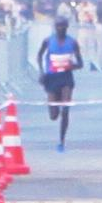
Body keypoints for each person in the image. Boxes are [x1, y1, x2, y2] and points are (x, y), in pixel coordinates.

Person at [37, 15, 82, 151]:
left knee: (65, 110)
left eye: (63, 25)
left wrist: (71, 66)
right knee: (53, 115)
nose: (60, 28)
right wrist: (42, 71)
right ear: (55, 27)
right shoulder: (48, 41)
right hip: (51, 78)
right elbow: (39, 56)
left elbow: (80, 63)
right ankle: (53, 104)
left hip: (66, 78)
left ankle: (62, 141)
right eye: (58, 26)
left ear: (67, 27)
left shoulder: (73, 42)